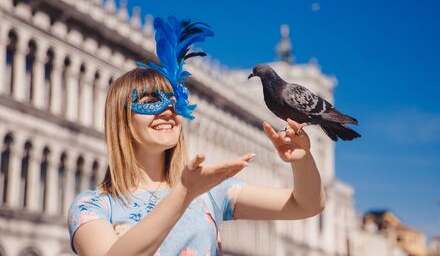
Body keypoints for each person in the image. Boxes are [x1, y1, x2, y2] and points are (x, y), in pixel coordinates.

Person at [67, 17, 326, 256]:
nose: (167, 109)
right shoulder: (93, 206)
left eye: (174, 100)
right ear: (121, 117)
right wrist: (183, 194)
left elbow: (306, 205)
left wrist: (301, 160)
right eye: (149, 101)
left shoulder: (207, 192)